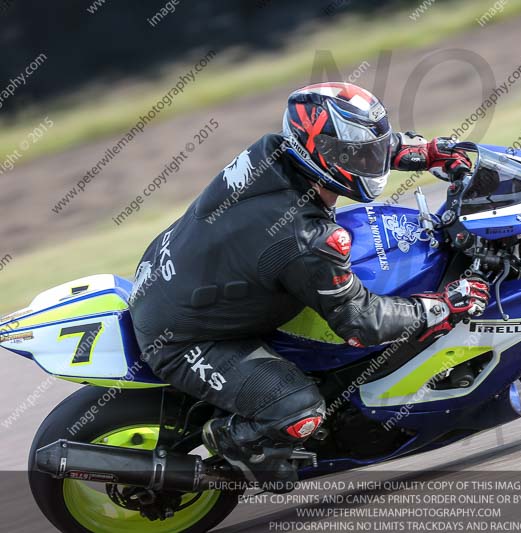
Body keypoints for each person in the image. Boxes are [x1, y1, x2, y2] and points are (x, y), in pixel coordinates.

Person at [128, 82, 490, 483]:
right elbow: (361, 323)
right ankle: (239, 444)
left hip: (168, 272)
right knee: (300, 411)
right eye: (362, 154)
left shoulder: (271, 151)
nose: (370, 160)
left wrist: (419, 151)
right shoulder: (305, 236)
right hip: (183, 338)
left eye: (373, 149)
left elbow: (345, 149)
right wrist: (440, 306)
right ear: (322, 153)